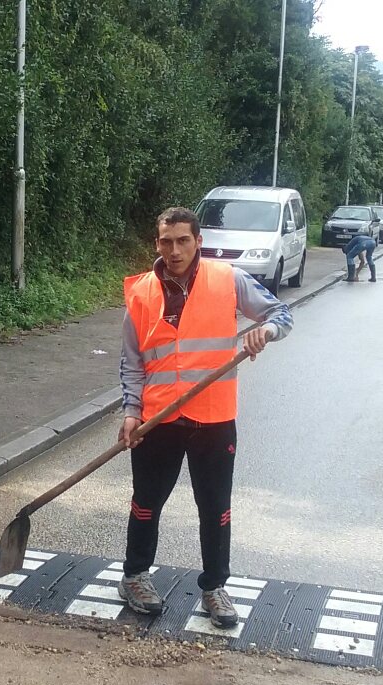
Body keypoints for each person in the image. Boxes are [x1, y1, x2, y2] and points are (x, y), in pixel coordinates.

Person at [117, 207, 292, 628]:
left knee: (215, 508)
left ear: (198, 241)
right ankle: (134, 576)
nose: (174, 250)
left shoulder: (227, 280)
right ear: (156, 243)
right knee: (146, 503)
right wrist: (131, 411)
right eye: (166, 241)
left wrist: (263, 332)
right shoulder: (140, 292)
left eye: (182, 240)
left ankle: (215, 586)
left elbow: (281, 314)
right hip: (158, 419)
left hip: (213, 418)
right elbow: (131, 362)